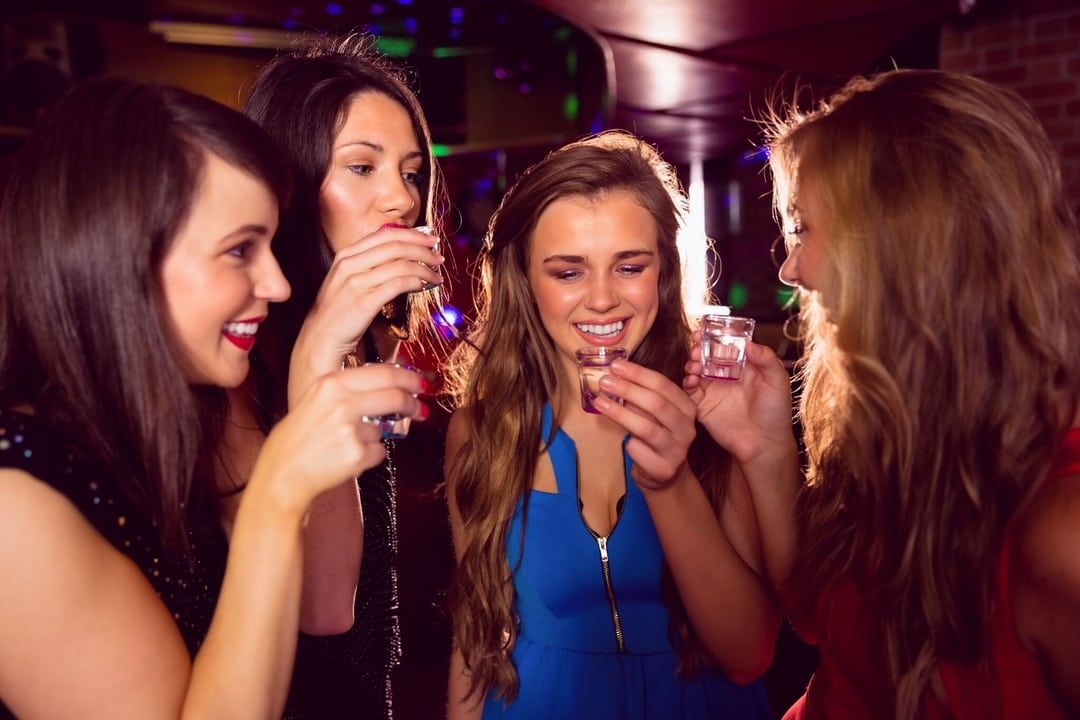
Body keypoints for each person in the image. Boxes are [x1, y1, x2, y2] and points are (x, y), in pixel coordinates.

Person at [0, 77, 427, 718]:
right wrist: (278, 495)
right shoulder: (17, 505)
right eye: (239, 250)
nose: (277, 283)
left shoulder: (153, 419)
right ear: (119, 259)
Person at [684, 68, 1080, 719]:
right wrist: (765, 450)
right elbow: (822, 618)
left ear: (900, 244)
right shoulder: (899, 421)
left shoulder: (1062, 525)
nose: (791, 269)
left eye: (804, 229)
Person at [443, 130, 778, 719]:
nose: (601, 300)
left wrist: (672, 484)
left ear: (664, 272)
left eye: (628, 266)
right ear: (525, 280)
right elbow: (477, 641)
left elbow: (748, 653)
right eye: (568, 272)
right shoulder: (481, 429)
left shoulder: (717, 410)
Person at [234, 34, 447, 719]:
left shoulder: (368, 346)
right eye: (362, 167)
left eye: (412, 172)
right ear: (288, 184)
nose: (401, 198)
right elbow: (324, 609)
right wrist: (320, 353)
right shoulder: (233, 365)